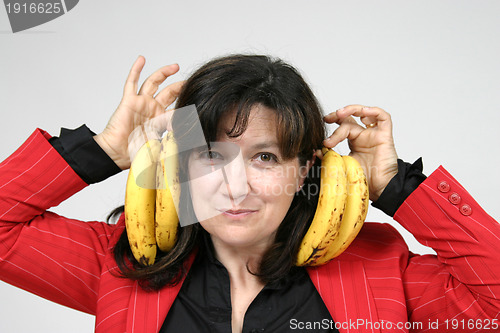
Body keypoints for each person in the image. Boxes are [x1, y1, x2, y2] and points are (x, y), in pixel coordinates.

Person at [0, 54, 499, 333]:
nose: (235, 186)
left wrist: (394, 185)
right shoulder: (121, 266)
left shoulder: (384, 272)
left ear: (305, 168)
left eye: (265, 157)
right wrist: (106, 149)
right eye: (212, 155)